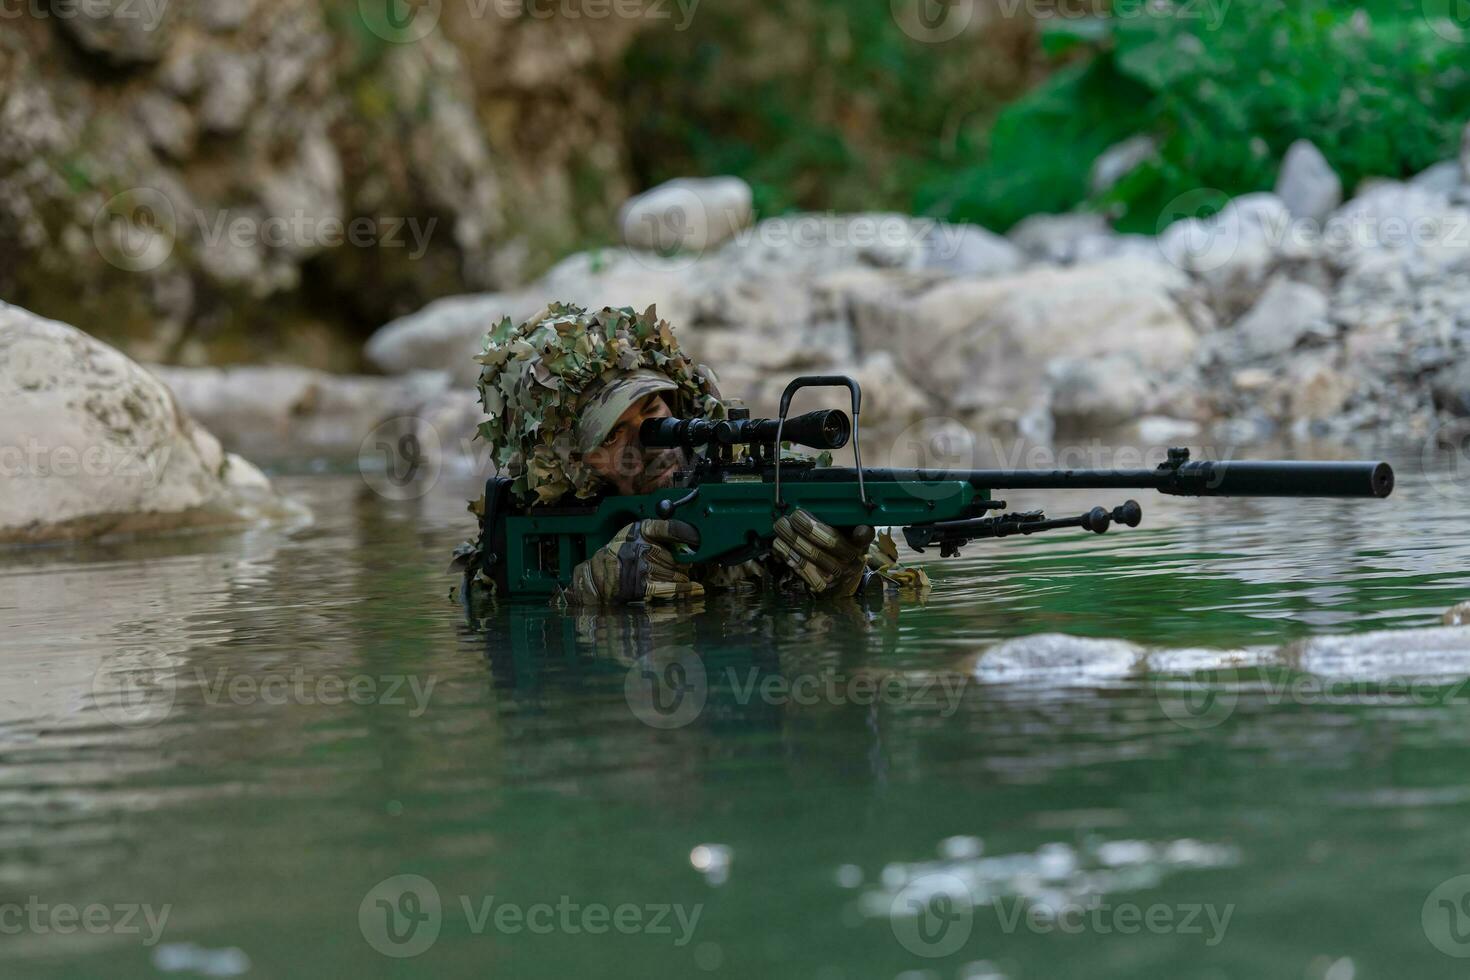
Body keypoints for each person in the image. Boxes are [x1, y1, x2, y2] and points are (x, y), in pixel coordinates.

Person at [456, 302, 925, 606]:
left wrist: (849, 580)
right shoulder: (540, 544)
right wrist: (591, 592)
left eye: (653, 410)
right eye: (614, 435)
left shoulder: (750, 492)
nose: (651, 441)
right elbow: (489, 616)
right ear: (572, 467)